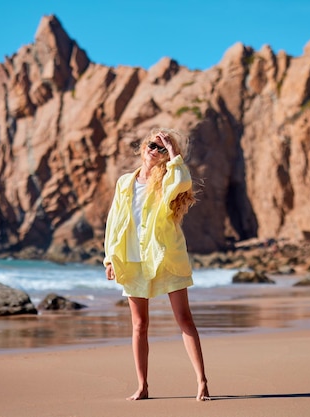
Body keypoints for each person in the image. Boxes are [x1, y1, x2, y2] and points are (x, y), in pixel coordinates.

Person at [103, 127, 210, 401]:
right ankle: (143, 386)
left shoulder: (168, 181)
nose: (156, 151)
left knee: (184, 318)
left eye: (162, 148)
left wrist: (174, 153)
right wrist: (109, 258)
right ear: (143, 147)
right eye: (153, 145)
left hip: (165, 256)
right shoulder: (125, 182)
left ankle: (202, 382)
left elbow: (184, 180)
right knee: (139, 325)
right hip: (132, 260)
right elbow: (114, 222)